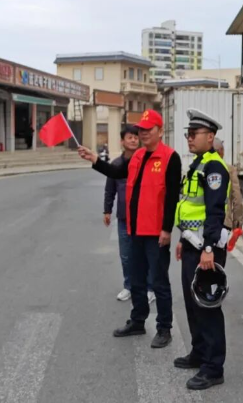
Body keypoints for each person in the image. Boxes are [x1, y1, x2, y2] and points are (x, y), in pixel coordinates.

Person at [79, 109, 181, 349]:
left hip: (156, 233)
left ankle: (164, 328)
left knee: (159, 282)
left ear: (160, 131)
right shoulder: (137, 157)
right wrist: (95, 159)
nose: (143, 134)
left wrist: (167, 230)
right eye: (140, 130)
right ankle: (137, 321)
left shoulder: (170, 157)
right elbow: (116, 172)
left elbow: (171, 198)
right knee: (136, 280)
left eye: (148, 130)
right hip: (135, 230)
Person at [174, 109, 231, 390]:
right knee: (192, 303)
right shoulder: (197, 164)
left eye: (194, 134)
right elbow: (188, 206)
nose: (189, 138)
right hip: (192, 244)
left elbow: (214, 212)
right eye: (188, 133)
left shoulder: (214, 168)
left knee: (207, 307)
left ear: (210, 137)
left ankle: (213, 368)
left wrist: (208, 248)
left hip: (206, 249)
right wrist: (183, 240)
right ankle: (199, 353)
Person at [103, 125, 154, 303]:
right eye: (129, 137)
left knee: (145, 255)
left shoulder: (146, 162)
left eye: (135, 137)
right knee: (126, 255)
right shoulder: (116, 165)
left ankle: (149, 288)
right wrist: (107, 210)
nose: (133, 140)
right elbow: (110, 190)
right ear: (122, 141)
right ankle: (129, 286)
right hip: (124, 219)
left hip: (144, 218)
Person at [213, 137, 243, 231]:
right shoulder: (229, 169)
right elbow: (237, 198)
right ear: (221, 151)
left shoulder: (201, 168)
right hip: (223, 222)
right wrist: (237, 222)